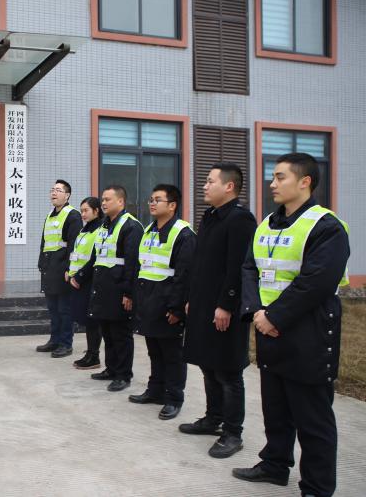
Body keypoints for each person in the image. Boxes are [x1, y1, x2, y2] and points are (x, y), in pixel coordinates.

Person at [233, 153, 350, 497]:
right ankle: (274, 464)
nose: (272, 184)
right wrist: (256, 311)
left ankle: (316, 487)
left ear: (305, 182)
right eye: (273, 177)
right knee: (276, 407)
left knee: (312, 417)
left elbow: (316, 282)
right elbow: (249, 268)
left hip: (308, 332)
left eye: (280, 177)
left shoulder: (326, 226)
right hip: (268, 328)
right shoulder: (268, 224)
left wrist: (273, 316)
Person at [180, 163, 256, 459]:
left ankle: (233, 432)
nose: (204, 185)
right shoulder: (210, 216)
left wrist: (226, 304)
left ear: (229, 186)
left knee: (228, 370)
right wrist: (192, 298)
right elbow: (201, 263)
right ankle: (213, 419)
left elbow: (238, 267)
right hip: (203, 304)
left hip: (226, 308)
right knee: (208, 364)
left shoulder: (240, 219)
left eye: (210, 181)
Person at [129, 184, 195, 420]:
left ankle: (174, 398)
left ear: (172, 205)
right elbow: (142, 267)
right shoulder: (149, 230)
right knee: (154, 351)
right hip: (149, 302)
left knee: (172, 355)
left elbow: (184, 276)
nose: (152, 203)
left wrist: (176, 308)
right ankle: (155, 390)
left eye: (158, 200)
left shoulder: (183, 234)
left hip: (168, 305)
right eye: (151, 199)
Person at [88, 185, 144, 392]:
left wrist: (129, 293)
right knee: (108, 332)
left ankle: (123, 374)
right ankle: (111, 369)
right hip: (103, 288)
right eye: (102, 199)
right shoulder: (104, 225)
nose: (103, 203)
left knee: (121, 335)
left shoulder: (131, 226)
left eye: (107, 199)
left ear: (120, 201)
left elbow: (132, 263)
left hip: (120, 289)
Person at [36, 180, 82, 358]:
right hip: (49, 267)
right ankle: (54, 340)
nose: (53, 193)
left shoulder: (73, 215)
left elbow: (74, 245)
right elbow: (44, 241)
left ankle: (65, 344)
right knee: (53, 308)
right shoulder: (49, 215)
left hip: (63, 267)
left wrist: (70, 269)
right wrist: (41, 263)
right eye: (52, 189)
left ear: (67, 195)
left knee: (64, 309)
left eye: (58, 190)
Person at [66, 197, 103, 370]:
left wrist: (79, 277)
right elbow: (77, 253)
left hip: (89, 280)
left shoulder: (100, 230)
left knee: (93, 321)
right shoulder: (84, 229)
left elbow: (94, 258)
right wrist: (70, 271)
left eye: (86, 210)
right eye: (81, 210)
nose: (83, 214)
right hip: (78, 280)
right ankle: (90, 353)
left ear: (96, 211)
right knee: (87, 320)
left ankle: (94, 355)